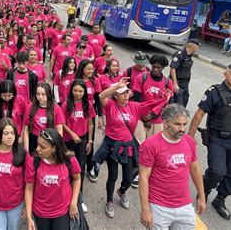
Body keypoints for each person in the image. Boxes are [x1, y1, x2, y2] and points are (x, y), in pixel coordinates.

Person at [96, 77, 170, 219]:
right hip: (112, 146)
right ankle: (109, 201)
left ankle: (122, 191)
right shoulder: (110, 104)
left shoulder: (134, 106)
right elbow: (101, 96)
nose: (126, 95)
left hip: (128, 147)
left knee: (129, 178)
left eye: (127, 92)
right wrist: (117, 85)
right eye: (122, 93)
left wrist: (164, 98)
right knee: (113, 176)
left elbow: (151, 104)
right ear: (116, 95)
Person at [139, 104, 206, 230]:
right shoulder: (150, 145)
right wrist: (145, 209)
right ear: (165, 122)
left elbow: (195, 169)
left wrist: (202, 197)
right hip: (159, 207)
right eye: (177, 124)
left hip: (184, 206)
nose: (182, 128)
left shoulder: (189, 141)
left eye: (184, 124)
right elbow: (143, 176)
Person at [188, 62, 231, 220]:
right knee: (217, 171)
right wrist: (189, 137)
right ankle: (205, 190)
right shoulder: (215, 92)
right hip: (218, 139)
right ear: (225, 74)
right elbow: (199, 115)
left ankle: (220, 199)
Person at [24, 128, 81, 230]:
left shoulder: (70, 160)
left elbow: (77, 179)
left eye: (43, 147)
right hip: (40, 212)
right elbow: (29, 188)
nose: (37, 149)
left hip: (62, 211)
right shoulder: (33, 162)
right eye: (37, 144)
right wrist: (29, 216)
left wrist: (73, 203)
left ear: (54, 148)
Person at [62, 79, 95, 213]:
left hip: (82, 140)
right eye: (75, 90)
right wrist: (72, 134)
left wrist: (90, 141)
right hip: (68, 140)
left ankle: (79, 199)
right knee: (67, 168)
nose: (78, 93)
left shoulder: (88, 104)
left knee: (80, 169)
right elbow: (62, 122)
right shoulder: (66, 104)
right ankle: (65, 195)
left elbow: (90, 124)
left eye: (81, 91)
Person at [76, 59, 103, 182]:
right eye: (88, 69)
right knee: (77, 139)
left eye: (92, 69)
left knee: (89, 140)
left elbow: (98, 99)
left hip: (90, 114)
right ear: (82, 69)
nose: (91, 71)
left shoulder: (95, 81)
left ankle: (90, 166)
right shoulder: (76, 82)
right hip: (77, 114)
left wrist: (100, 116)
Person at [23, 82, 65, 154]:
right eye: (38, 94)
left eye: (43, 94)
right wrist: (26, 151)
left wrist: (54, 146)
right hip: (34, 141)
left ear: (48, 95)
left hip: (49, 140)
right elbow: (26, 131)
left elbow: (60, 132)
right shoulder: (30, 108)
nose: (40, 97)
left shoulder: (56, 108)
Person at [0, 80, 27, 148]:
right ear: (0, 94)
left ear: (14, 93)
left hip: (16, 136)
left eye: (9, 96)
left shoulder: (20, 100)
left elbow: (26, 120)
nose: (7, 98)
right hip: (0, 136)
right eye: (4, 95)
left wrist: (22, 136)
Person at [169, 39, 200, 108]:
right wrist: (175, 84)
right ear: (193, 46)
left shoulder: (190, 55)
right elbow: (173, 68)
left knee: (185, 100)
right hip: (178, 82)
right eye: (198, 47)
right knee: (179, 105)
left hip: (185, 84)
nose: (198, 49)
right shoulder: (179, 55)